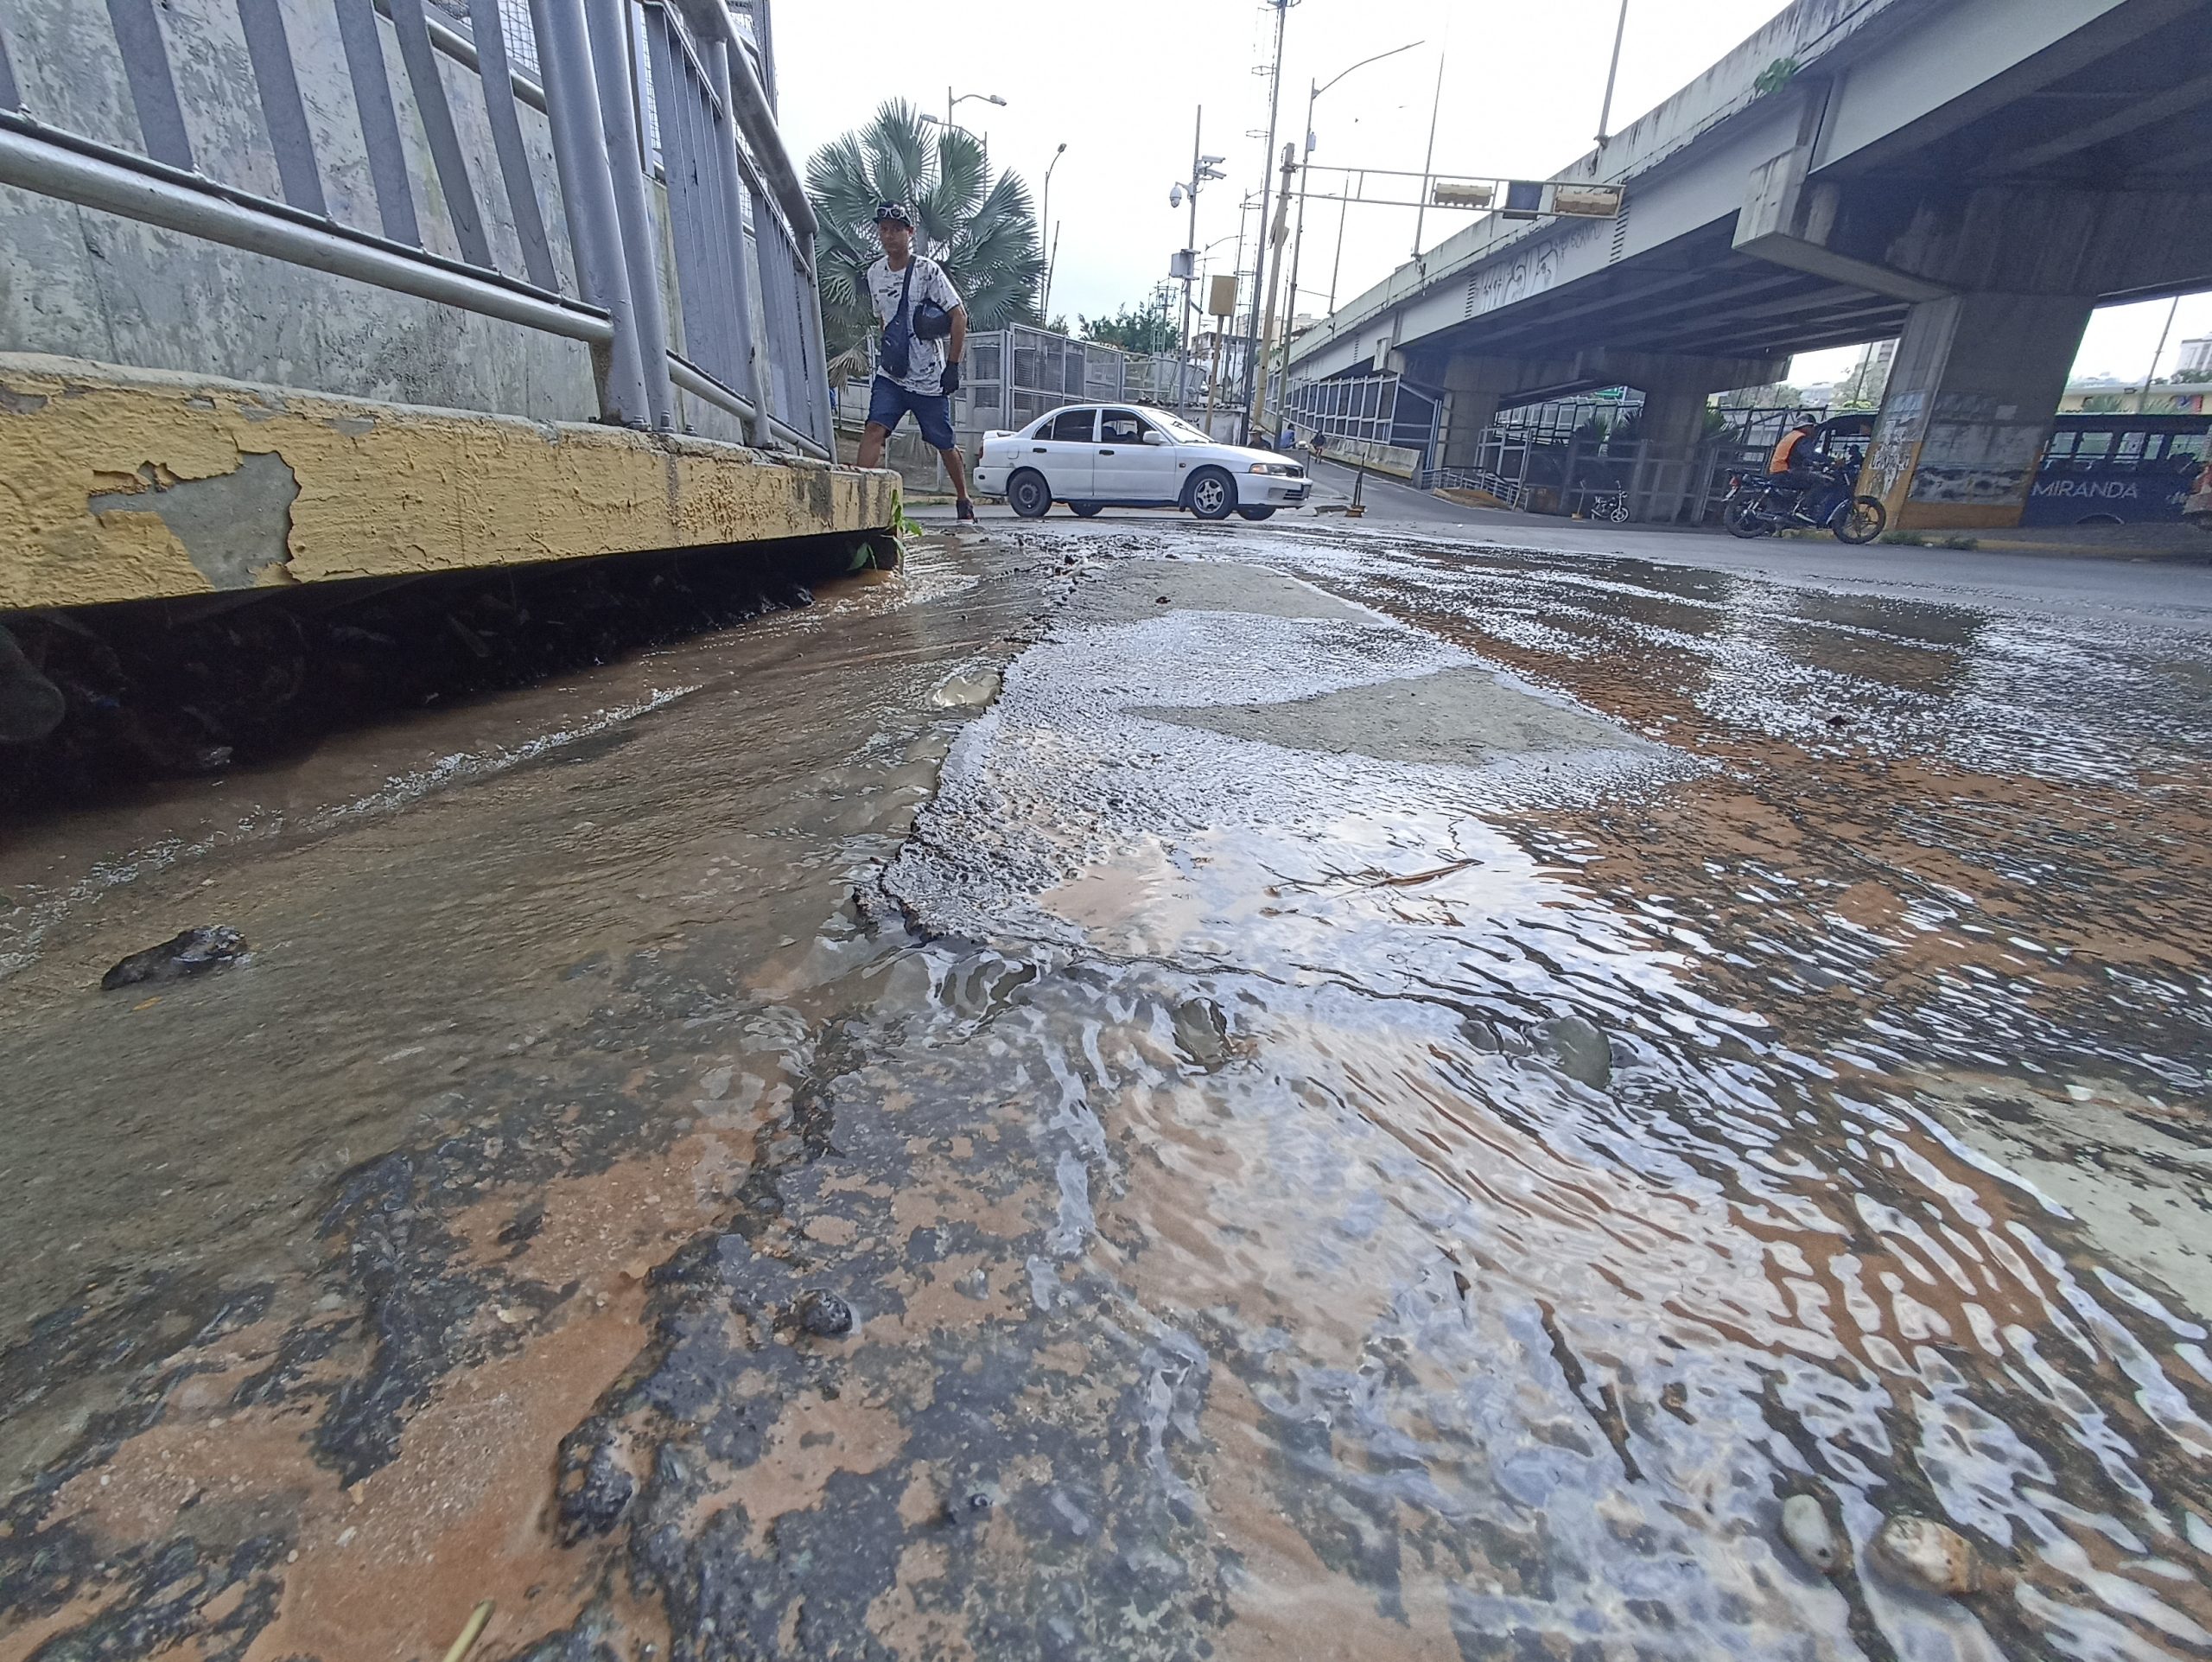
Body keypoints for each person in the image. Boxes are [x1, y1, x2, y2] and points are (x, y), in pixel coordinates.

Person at [857, 202, 975, 521]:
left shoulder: (927, 271)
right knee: (874, 429)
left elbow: (958, 315)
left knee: (944, 443)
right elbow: (883, 319)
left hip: (928, 378)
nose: (890, 235)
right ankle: (856, 498)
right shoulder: (874, 274)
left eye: (897, 229)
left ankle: (963, 499)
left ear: (909, 233)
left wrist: (952, 365)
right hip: (892, 374)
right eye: (884, 229)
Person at [1768, 416, 1827, 516]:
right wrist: (1831, 460)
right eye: (1812, 427)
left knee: (1808, 477)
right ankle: (1803, 508)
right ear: (1806, 426)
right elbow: (1810, 454)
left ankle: (1796, 504)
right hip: (1787, 471)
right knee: (1821, 481)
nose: (1813, 430)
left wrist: (1812, 464)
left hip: (1778, 471)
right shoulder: (1802, 438)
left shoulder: (1791, 436)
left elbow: (1795, 456)